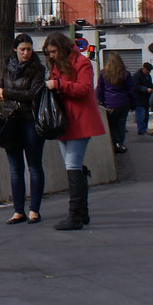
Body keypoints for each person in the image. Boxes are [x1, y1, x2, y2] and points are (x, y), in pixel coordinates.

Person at [43, 31, 106, 231]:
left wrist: (58, 85)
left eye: (53, 52)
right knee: (73, 166)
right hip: (66, 121)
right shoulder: (58, 65)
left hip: (79, 121)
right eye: (48, 53)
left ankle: (76, 215)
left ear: (61, 48)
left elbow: (85, 89)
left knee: (72, 166)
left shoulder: (82, 63)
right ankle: (81, 213)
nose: (50, 55)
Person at [0, 33, 46, 224]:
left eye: (29, 49)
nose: (26, 53)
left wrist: (6, 92)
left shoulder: (38, 69)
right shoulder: (7, 67)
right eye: (23, 49)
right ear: (15, 50)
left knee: (34, 166)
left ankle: (34, 210)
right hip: (11, 120)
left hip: (30, 120)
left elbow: (33, 93)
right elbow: (1, 84)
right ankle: (18, 211)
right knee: (15, 169)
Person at [96, 51, 134, 154]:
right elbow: (131, 90)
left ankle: (116, 143)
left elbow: (100, 88)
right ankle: (120, 143)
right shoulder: (125, 73)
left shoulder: (104, 73)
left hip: (110, 103)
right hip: (123, 103)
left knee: (111, 124)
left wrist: (99, 101)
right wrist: (132, 103)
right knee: (121, 124)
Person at [132, 63, 153, 135]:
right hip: (139, 98)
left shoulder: (148, 76)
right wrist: (145, 89)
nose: (149, 72)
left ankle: (144, 129)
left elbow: (150, 84)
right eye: (148, 70)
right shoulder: (137, 76)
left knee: (146, 116)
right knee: (140, 115)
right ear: (143, 68)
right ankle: (141, 129)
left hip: (146, 99)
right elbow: (135, 86)